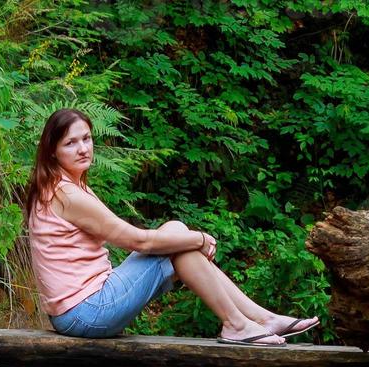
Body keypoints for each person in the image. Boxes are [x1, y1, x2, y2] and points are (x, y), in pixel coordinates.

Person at [24, 108, 319, 346]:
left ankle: (256, 318)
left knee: (177, 232)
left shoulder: (61, 186)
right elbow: (140, 242)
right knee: (179, 241)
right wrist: (199, 239)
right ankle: (237, 324)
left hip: (80, 309)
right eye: (70, 143)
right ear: (52, 151)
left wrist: (189, 239)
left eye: (86, 138)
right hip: (87, 311)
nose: (82, 148)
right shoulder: (68, 195)